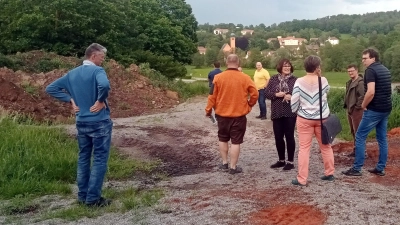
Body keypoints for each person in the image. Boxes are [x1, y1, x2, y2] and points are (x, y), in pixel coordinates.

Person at [46, 43, 113, 207]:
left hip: (81, 121)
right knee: (99, 160)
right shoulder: (97, 71)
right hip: (99, 122)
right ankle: (93, 200)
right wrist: (100, 100)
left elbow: (51, 88)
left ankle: (83, 196)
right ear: (93, 56)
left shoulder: (72, 74)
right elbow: (104, 85)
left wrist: (69, 99)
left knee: (83, 157)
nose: (102, 61)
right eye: (102, 58)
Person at [205, 54, 259, 174]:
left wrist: (208, 110)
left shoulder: (218, 78)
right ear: (238, 62)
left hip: (222, 115)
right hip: (239, 116)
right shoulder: (245, 78)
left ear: (226, 62)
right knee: (236, 141)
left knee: (223, 139)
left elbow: (211, 96)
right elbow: (255, 93)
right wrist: (249, 105)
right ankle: (233, 167)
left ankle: (224, 163)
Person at [342, 48, 392, 177]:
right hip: (385, 109)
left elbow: (370, 92)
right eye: (362, 58)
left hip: (374, 109)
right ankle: (380, 168)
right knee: (382, 138)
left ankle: (357, 168)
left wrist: (364, 105)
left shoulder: (370, 70)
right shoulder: (385, 69)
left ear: (373, 58)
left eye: (365, 58)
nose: (363, 61)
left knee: (359, 136)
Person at [290, 55, 335, 186]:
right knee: (326, 146)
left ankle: (302, 179)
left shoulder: (299, 81)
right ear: (317, 67)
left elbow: (294, 101)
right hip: (322, 119)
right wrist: (320, 75)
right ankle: (329, 173)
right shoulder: (324, 80)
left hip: (304, 118)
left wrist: (295, 110)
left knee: (304, 148)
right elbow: (327, 91)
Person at [265, 59, 297, 170]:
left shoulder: (295, 80)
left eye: (288, 66)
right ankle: (281, 160)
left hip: (290, 112)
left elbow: (300, 94)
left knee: (289, 136)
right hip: (277, 111)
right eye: (285, 66)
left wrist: (291, 97)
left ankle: (290, 161)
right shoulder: (273, 79)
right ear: (280, 67)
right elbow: (266, 93)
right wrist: (276, 94)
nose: (287, 68)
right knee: (278, 137)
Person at [344, 64, 365, 157]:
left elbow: (362, 96)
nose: (350, 73)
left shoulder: (360, 82)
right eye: (349, 71)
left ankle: (362, 152)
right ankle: (356, 150)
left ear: (356, 70)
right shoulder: (349, 82)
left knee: (358, 132)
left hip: (357, 111)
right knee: (353, 131)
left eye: (352, 71)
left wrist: (357, 107)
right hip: (350, 110)